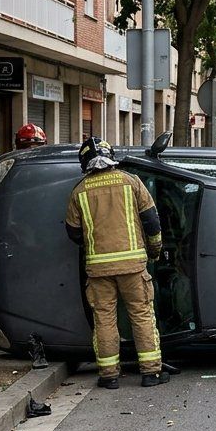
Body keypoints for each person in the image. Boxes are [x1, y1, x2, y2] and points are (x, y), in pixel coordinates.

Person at [64, 138, 169, 387]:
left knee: (104, 319)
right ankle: (150, 373)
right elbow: (152, 224)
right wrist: (154, 252)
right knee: (141, 315)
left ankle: (109, 376)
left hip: (99, 269)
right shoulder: (131, 182)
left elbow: (73, 232)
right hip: (133, 267)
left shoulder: (79, 191)